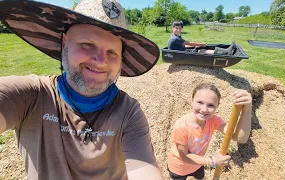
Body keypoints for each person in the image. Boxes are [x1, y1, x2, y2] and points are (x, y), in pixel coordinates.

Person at [0, 0, 163, 179]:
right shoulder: (32, 95)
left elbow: (144, 170)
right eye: (88, 44)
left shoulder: (128, 112)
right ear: (64, 43)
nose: (101, 61)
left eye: (112, 52)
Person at [167, 83, 252, 180]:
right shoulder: (181, 127)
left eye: (211, 105)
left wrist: (247, 110)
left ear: (217, 106)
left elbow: (240, 138)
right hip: (179, 168)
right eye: (200, 102)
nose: (204, 109)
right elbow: (185, 157)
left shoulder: (212, 120)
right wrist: (212, 161)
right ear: (192, 101)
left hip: (198, 164)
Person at [168, 20, 236, 55]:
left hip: (181, 51)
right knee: (201, 51)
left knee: (198, 47)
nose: (178, 30)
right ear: (172, 28)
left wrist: (197, 46)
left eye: (180, 28)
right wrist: (201, 44)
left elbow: (184, 44)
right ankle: (226, 52)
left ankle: (224, 50)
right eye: (176, 28)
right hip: (179, 55)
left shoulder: (176, 35)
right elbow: (189, 43)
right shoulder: (175, 38)